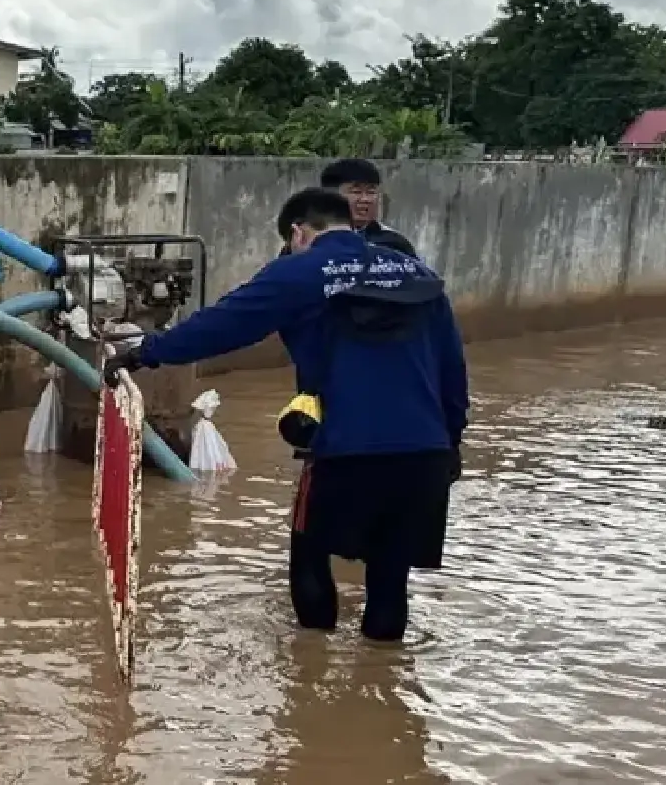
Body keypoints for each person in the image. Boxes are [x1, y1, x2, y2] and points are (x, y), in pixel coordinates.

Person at [108, 187, 468, 643]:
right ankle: (379, 674)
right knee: (390, 578)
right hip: (424, 453)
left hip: (343, 449)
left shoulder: (301, 271)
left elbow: (224, 324)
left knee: (310, 557)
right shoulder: (415, 273)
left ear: (298, 233)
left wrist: (146, 352)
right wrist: (452, 441)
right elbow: (453, 371)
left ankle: (310, 667)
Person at [320, 157, 417, 257]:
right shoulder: (315, 238)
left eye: (371, 192)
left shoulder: (394, 242)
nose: (366, 199)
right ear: (330, 195)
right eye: (356, 192)